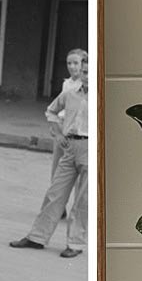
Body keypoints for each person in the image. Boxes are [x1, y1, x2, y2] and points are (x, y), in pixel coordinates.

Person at [9, 56, 89, 258]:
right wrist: (58, 133)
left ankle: (76, 243)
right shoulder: (70, 95)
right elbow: (52, 111)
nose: (86, 77)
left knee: (83, 200)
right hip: (70, 146)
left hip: (91, 148)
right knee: (55, 193)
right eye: (84, 72)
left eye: (90, 73)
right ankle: (37, 237)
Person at [51, 48, 87, 218]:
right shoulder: (67, 85)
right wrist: (57, 132)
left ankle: (76, 211)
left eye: (76, 64)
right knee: (58, 171)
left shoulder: (85, 86)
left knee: (81, 178)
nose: (72, 67)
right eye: (69, 63)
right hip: (63, 131)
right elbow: (56, 109)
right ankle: (59, 207)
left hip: (79, 136)